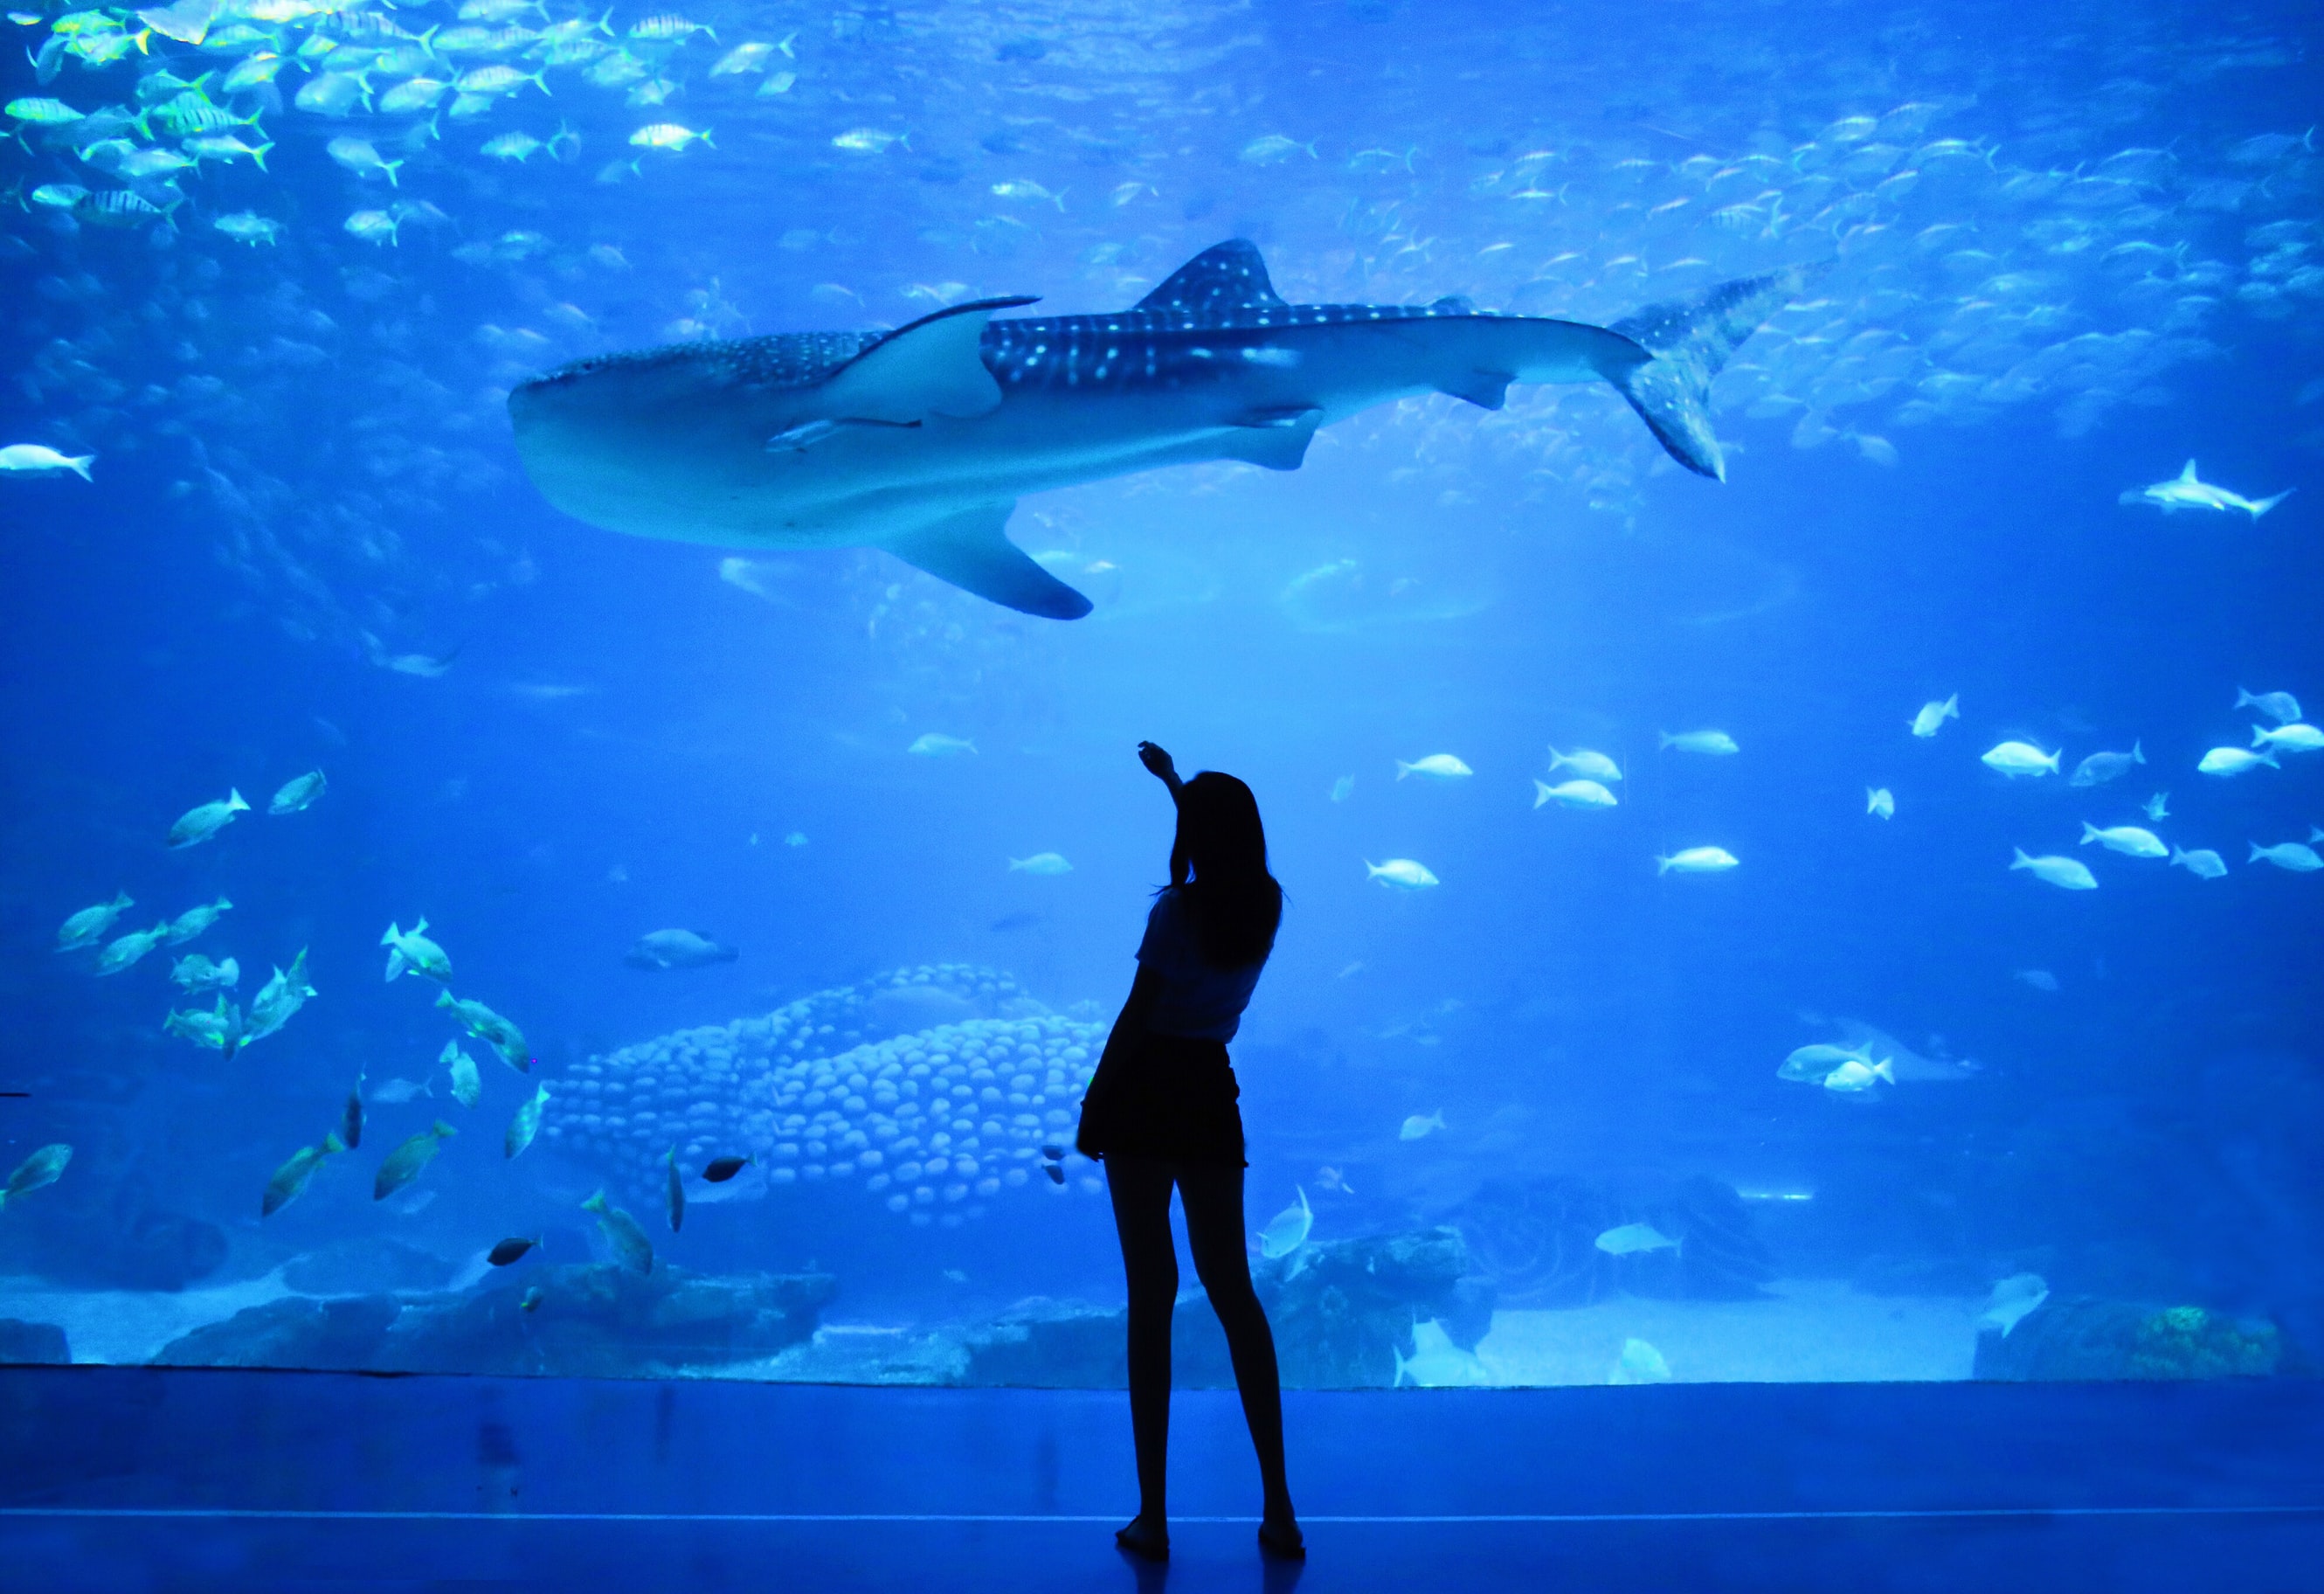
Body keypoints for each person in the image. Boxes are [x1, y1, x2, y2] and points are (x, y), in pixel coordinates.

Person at [1076, 741, 1303, 1563]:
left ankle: (1154, 1516)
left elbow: (1137, 1015)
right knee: (1234, 1291)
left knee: (1152, 1296)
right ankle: (1279, 1508)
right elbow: (1214, 842)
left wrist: (1094, 1104)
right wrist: (1174, 785)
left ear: (1199, 835)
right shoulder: (1264, 906)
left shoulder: (1175, 913)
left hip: (1145, 1093)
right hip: (1209, 1093)